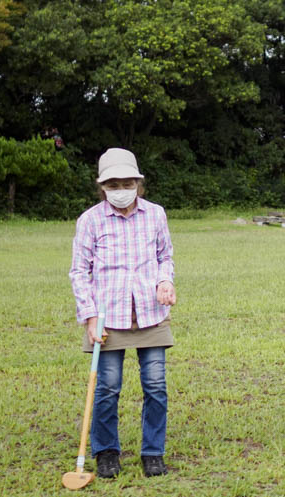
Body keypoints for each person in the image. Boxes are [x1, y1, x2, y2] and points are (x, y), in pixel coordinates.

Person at [69, 148, 177, 478]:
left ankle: (153, 452)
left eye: (126, 182)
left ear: (138, 183)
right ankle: (106, 452)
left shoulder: (156, 214)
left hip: (150, 314)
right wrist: (89, 316)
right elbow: (79, 271)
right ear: (102, 187)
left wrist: (164, 281)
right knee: (108, 387)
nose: (120, 189)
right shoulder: (90, 220)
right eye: (113, 184)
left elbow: (165, 257)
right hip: (107, 318)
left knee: (156, 385)